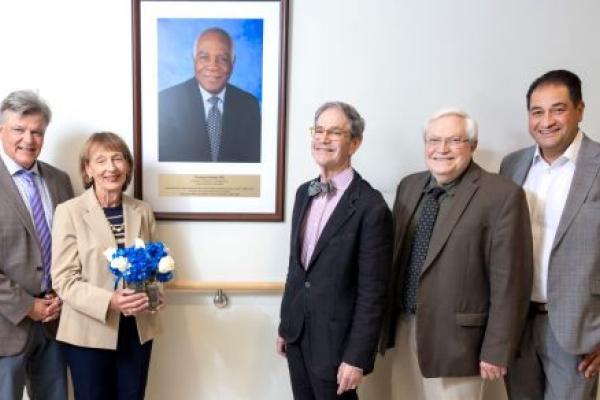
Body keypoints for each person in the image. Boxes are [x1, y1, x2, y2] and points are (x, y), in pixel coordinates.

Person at [380, 108, 532, 400]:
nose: (442, 149)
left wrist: (498, 349)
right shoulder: (409, 186)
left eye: (454, 140)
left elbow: (511, 281)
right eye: (433, 140)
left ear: (473, 145)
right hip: (405, 327)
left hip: (460, 343)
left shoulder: (501, 195)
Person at [277, 101, 393, 399]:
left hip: (337, 346)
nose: (323, 138)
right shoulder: (304, 192)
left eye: (335, 132)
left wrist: (357, 356)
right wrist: (285, 324)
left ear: (355, 143)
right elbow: (297, 267)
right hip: (298, 335)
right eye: (319, 130)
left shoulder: (371, 206)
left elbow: (373, 292)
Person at [500, 69, 600, 399]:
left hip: (578, 331)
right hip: (517, 324)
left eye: (558, 109)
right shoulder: (512, 166)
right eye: (537, 111)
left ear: (580, 109)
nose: (547, 121)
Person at [51, 132, 164, 400]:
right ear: (87, 169)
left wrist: (154, 293)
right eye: (100, 160)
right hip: (88, 332)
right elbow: (64, 280)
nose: (110, 168)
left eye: (118, 159)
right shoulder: (69, 211)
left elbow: (154, 264)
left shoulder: (142, 210)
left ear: (128, 166)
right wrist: (110, 300)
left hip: (137, 329)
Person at [0, 90, 73, 400]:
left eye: (37, 131)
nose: (28, 139)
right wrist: (27, 305)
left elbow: (73, 247)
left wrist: (59, 296)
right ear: (1, 129)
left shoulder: (60, 181)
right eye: (19, 129)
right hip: (5, 326)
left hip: (55, 323)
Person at [159, 27, 261, 163]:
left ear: (233, 63)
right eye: (204, 57)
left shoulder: (249, 105)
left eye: (223, 59)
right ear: (194, 60)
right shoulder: (166, 101)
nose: (213, 66)